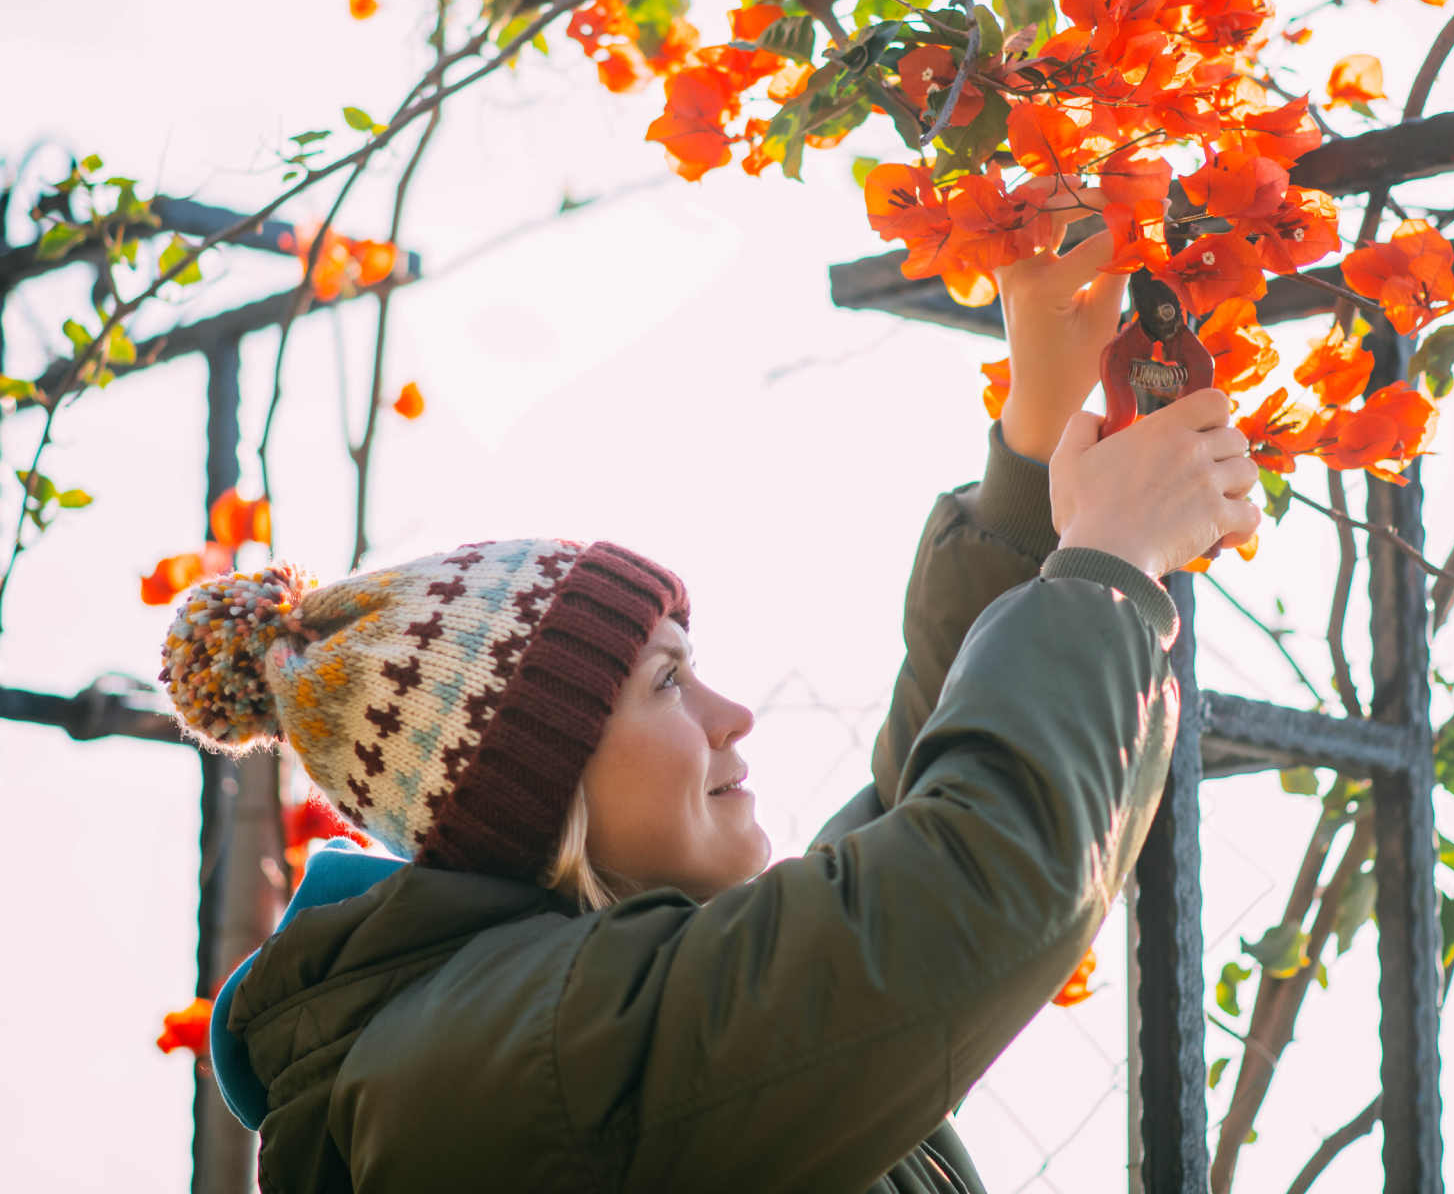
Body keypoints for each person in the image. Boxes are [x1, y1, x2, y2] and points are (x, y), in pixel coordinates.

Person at [156, 218, 1259, 1193]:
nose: (732, 716)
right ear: (537, 790)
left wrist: (1036, 446)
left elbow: (900, 824)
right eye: (668, 681)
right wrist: (1108, 561)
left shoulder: (541, 1020)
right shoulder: (505, 1064)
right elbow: (948, 900)